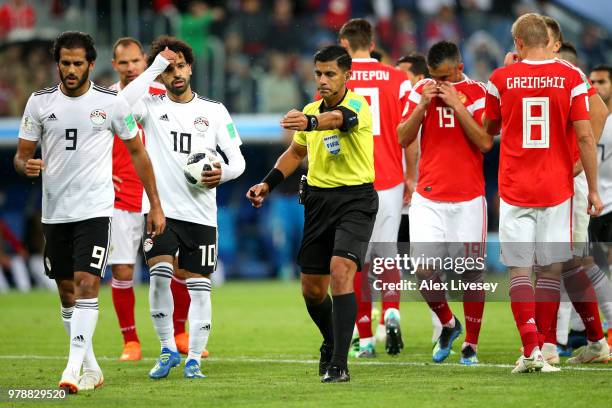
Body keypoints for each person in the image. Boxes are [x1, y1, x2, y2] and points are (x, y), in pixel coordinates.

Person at [13, 31, 165, 393]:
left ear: (91, 65)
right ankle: (92, 367)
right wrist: (25, 165)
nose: (70, 69)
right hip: (55, 213)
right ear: (58, 63)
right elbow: (21, 155)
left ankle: (71, 368)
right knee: (67, 291)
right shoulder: (38, 103)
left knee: (87, 284)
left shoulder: (111, 102)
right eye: (64, 62)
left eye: (77, 63)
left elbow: (138, 153)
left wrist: (155, 204)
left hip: (97, 210)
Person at [246, 45, 377, 383]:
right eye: (318, 73)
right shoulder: (310, 110)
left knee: (341, 270)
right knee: (312, 290)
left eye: (330, 73)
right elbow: (295, 152)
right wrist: (267, 184)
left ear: (346, 75)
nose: (322, 80)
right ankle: (332, 340)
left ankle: (339, 363)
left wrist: (310, 121)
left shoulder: (357, 106)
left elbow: (339, 120)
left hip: (355, 200)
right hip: (318, 201)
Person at [119, 36, 245, 380]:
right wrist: (154, 66)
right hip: (161, 211)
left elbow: (238, 161)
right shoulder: (149, 105)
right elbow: (120, 105)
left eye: (179, 66)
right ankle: (166, 350)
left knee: (199, 287)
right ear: (160, 74)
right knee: (159, 277)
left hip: (201, 214)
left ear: (190, 68)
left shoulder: (214, 111)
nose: (175, 73)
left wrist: (224, 173)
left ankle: (194, 360)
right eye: (168, 69)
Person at [482, 14, 603, 373]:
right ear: (548, 40)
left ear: (518, 42)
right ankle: (548, 349)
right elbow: (584, 136)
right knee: (550, 272)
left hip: (516, 187)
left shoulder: (500, 78)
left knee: (519, 271)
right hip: (558, 187)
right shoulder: (572, 76)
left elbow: (489, 129)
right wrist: (593, 188)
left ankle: (531, 349)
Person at [108, 37, 204, 362]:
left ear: (145, 62)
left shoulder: (164, 95)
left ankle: (179, 333)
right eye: (125, 63)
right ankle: (131, 341)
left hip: (161, 197)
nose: (132, 67)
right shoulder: (108, 98)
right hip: (121, 196)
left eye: (137, 61)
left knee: (177, 267)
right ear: (114, 65)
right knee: (123, 271)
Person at [398, 41, 490, 365]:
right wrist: (423, 106)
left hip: (468, 199)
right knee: (423, 271)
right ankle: (449, 324)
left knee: (470, 275)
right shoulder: (421, 90)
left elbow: (484, 141)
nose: (440, 85)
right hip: (429, 197)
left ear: (460, 67)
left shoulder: (480, 92)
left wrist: (457, 105)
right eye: (436, 78)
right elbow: (401, 137)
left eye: (446, 78)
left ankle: (472, 346)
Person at [536, 18, 609, 365]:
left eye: (544, 39)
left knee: (558, 262)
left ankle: (550, 344)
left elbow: (600, 111)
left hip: (567, 182)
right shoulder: (532, 72)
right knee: (564, 263)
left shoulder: (569, 74)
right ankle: (593, 341)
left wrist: (580, 161)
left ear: (554, 42)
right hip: (544, 180)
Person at [338, 18, 410, 357]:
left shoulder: (338, 79)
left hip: (352, 179)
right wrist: (412, 176)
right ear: (372, 41)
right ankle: (392, 310)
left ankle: (365, 338)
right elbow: (409, 131)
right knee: (387, 253)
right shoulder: (398, 78)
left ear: (345, 45)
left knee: (357, 260)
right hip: (390, 178)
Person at [396, 53, 444, 345]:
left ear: (417, 76)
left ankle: (441, 325)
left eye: (403, 74)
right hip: (398, 192)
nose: (398, 80)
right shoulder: (403, 100)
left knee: (424, 265)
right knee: (387, 262)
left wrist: (411, 176)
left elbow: (411, 142)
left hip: (417, 193)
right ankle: (379, 327)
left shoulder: (421, 100)